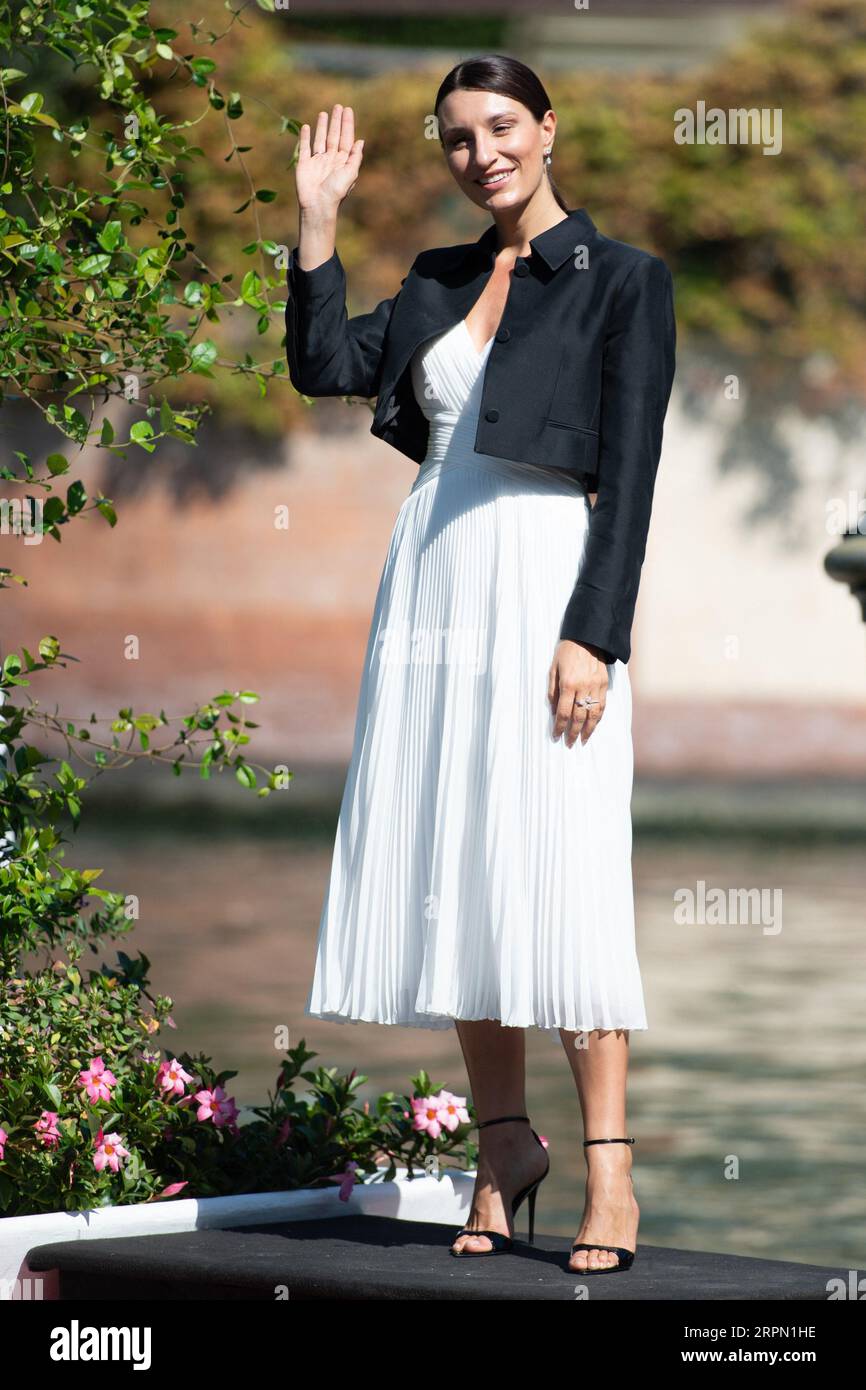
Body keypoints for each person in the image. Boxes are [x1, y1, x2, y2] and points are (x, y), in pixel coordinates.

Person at [286, 54, 676, 1276]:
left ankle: (607, 1168)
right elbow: (323, 368)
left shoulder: (624, 282)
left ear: (546, 129)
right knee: (460, 859)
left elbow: (632, 476)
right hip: (430, 592)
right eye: (457, 138)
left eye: (501, 127)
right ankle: (503, 1147)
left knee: (558, 865)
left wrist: (591, 633)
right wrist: (314, 222)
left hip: (544, 586)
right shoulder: (435, 277)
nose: (481, 153)